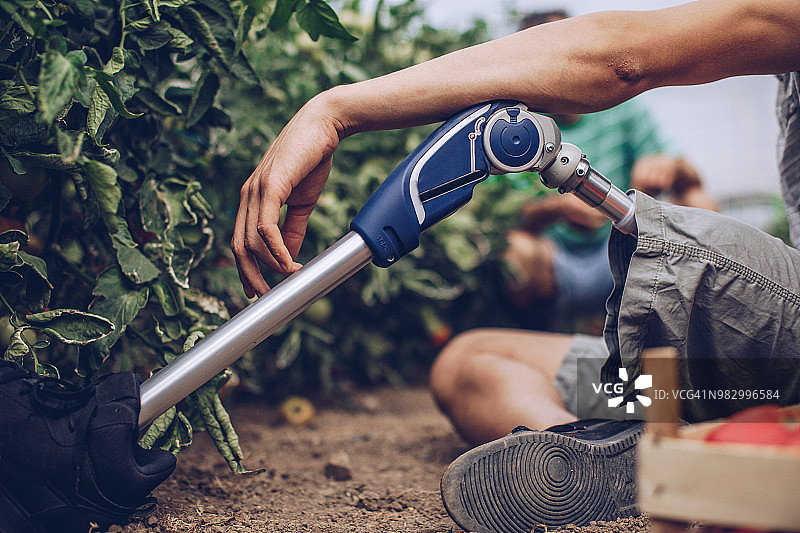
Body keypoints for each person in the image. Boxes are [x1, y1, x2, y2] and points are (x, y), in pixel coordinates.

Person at [232, 1, 800, 531]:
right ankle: (590, 463)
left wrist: (335, 110)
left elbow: (622, 58)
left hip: (774, 348)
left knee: (684, 239)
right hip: (705, 382)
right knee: (472, 362)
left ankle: (695, 455)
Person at [503, 11, 717, 332]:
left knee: (698, 202)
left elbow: (693, 177)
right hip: (559, 262)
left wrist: (670, 167)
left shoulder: (621, 106)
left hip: (631, 250)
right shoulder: (517, 131)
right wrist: (555, 211)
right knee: (511, 249)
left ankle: (694, 330)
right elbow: (506, 219)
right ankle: (547, 333)